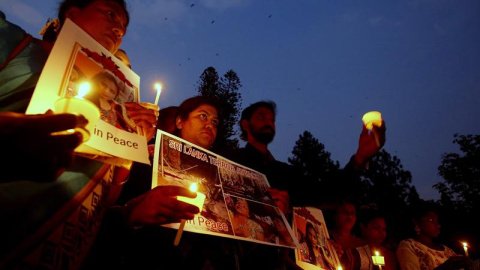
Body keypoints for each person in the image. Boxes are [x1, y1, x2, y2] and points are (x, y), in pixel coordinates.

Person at [0, 1, 196, 269]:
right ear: (72, 13)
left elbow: (104, 201)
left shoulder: (119, 109)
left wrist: (131, 153)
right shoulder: (14, 46)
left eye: (124, 29)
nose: (118, 29)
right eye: (110, 13)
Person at [226, 100, 386, 269]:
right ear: (245, 124)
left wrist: (360, 157)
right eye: (262, 117)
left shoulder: (285, 173)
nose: (269, 122)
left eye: (272, 120)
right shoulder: (232, 159)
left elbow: (326, 192)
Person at [396, 202, 470, 270]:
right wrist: (444, 267)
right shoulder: (409, 246)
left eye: (437, 221)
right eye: (431, 220)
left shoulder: (447, 250)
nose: (437, 225)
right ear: (416, 223)